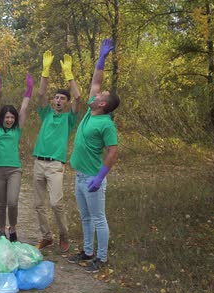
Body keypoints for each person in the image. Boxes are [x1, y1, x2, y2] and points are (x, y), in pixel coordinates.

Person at [67, 39, 120, 273]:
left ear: (104, 104)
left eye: (102, 95)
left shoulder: (106, 124)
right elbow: (96, 81)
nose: (98, 93)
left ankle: (102, 258)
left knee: (99, 218)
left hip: (92, 177)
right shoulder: (91, 108)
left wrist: (100, 177)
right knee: (86, 218)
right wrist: (102, 58)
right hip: (79, 176)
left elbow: (113, 152)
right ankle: (87, 252)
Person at [33, 51, 81, 252]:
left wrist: (69, 74)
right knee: (38, 204)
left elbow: (78, 96)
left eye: (62, 98)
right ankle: (46, 237)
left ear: (67, 102)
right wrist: (45, 71)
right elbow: (41, 94)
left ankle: (64, 234)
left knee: (55, 202)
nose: (59, 100)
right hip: (38, 163)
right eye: (57, 98)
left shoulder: (69, 119)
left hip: (55, 165)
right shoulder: (46, 113)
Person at [0, 63, 33, 242]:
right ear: (2, 118)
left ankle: (12, 228)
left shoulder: (17, 130)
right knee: (1, 204)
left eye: (12, 117)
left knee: (12, 202)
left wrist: (29, 89)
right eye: (6, 117)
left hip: (14, 170)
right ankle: (1, 231)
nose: (9, 119)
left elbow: (23, 109)